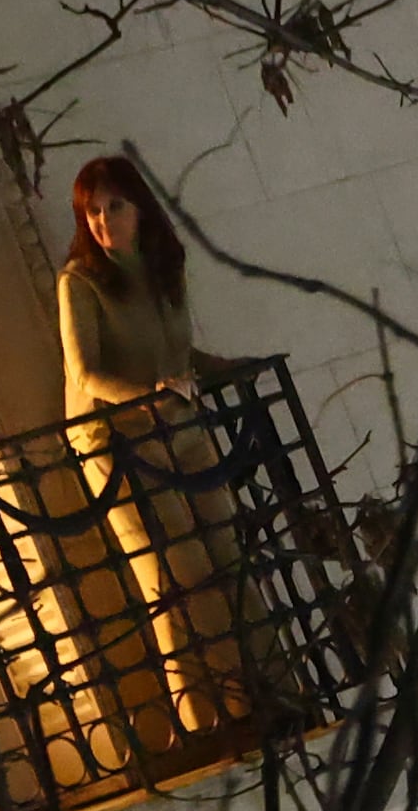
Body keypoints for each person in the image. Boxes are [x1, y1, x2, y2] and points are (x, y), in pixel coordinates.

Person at [53, 154, 266, 743]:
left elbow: (180, 355)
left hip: (178, 424)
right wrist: (144, 398)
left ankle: (263, 690)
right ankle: (204, 722)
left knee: (228, 551)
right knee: (178, 577)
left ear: (140, 209)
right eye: (91, 211)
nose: (101, 221)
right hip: (117, 444)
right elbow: (86, 372)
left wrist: (229, 369)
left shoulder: (165, 268)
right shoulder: (81, 283)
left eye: (114, 206)